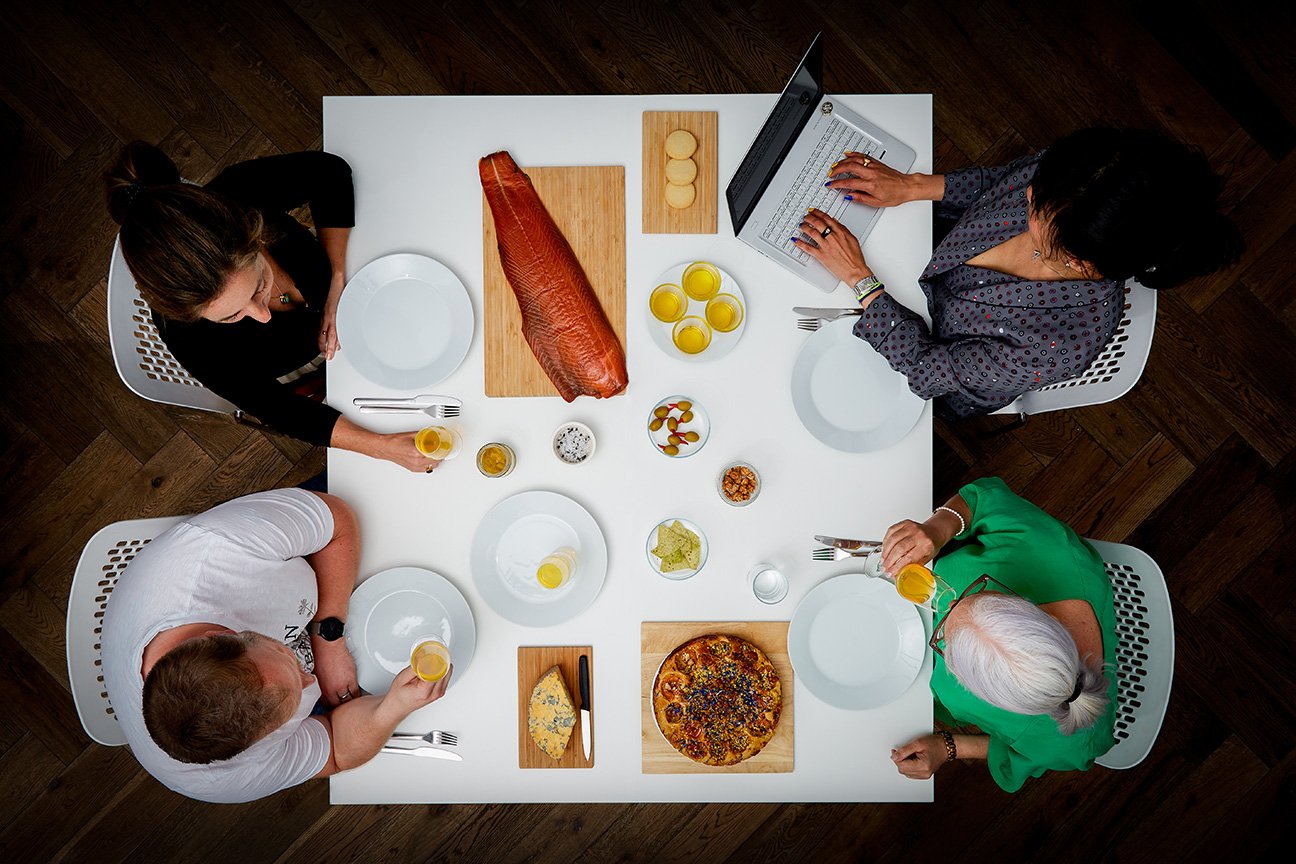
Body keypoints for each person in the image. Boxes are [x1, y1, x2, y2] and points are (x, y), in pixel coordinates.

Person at [795, 127, 1244, 418]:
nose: (1024, 193)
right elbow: (1000, 182)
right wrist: (911, 186)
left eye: (1034, 209)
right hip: (915, 261)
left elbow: (927, 371)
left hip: (913, 356)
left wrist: (862, 280)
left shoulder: (1062, 344)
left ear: (1080, 262)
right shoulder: (1081, 174)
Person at [100, 488, 452, 803]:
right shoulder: (220, 778)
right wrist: (393, 707)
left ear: (220, 635)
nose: (310, 679)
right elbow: (336, 751)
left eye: (285, 657)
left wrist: (327, 638)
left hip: (316, 560)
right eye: (295, 696)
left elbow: (337, 519)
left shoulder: (218, 547)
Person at [104, 142, 440, 473]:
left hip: (363, 285)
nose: (262, 315)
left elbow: (330, 173)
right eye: (231, 316)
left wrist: (337, 277)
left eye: (260, 284)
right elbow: (276, 409)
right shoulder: (181, 333)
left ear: (255, 235)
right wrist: (382, 448)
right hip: (313, 371)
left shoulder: (239, 195)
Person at [880, 477, 1116, 792]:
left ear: (984, 695)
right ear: (1030, 608)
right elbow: (982, 499)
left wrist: (949, 748)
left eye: (945, 644)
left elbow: (1015, 754)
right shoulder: (1052, 551)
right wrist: (938, 529)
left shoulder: (1067, 746)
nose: (941, 603)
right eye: (976, 593)